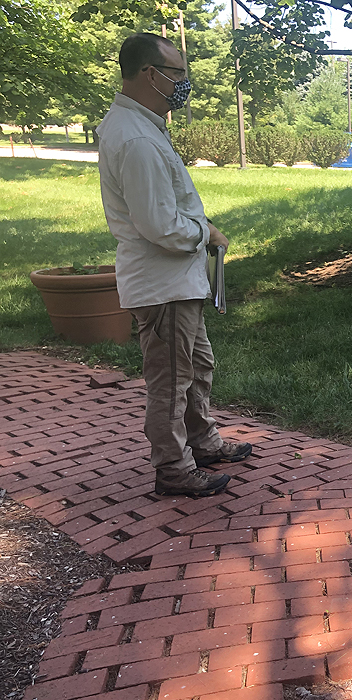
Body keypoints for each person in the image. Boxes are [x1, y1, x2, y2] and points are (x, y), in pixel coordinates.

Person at [96, 33, 251, 496]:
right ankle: (174, 469)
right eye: (178, 72)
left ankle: (202, 441)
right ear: (150, 74)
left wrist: (201, 229)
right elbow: (159, 225)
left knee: (197, 365)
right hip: (162, 284)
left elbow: (167, 206)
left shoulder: (145, 125)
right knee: (170, 381)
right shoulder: (138, 138)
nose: (184, 82)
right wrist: (207, 234)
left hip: (178, 281)